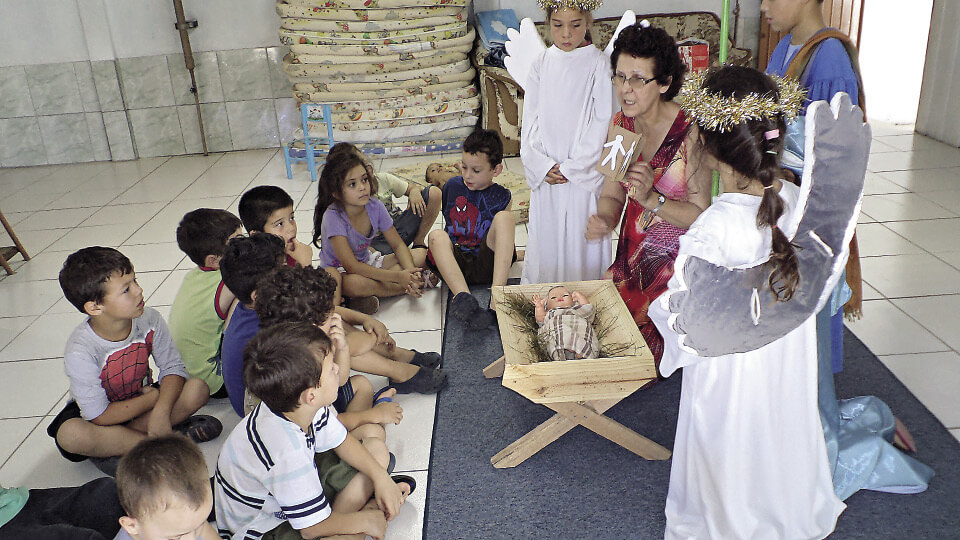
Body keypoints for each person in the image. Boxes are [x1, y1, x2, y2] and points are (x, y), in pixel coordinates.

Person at [649, 66, 846, 539]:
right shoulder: (800, 201)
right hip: (785, 361)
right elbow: (825, 280)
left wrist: (663, 313)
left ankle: (727, 512)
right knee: (776, 422)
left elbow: (686, 326)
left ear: (710, 149)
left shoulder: (712, 230)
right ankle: (783, 503)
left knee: (732, 432)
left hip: (728, 375)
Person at [584, 23, 711, 367]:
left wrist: (653, 199)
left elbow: (702, 216)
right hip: (630, 259)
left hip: (674, 271)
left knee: (634, 360)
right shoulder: (621, 124)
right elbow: (611, 194)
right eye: (620, 77)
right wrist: (604, 219)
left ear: (665, 83)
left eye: (638, 79)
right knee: (587, 335)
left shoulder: (689, 133)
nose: (626, 89)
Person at [215, 322, 414, 540]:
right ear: (311, 395)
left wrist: (380, 479)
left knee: (377, 450)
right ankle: (357, 516)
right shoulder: (286, 451)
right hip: (265, 528)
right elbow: (311, 530)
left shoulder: (300, 405)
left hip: (291, 498)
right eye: (331, 369)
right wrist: (367, 520)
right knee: (355, 524)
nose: (337, 368)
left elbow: (342, 441)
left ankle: (347, 517)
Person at [47, 247, 219, 475]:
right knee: (71, 435)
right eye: (126, 289)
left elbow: (173, 368)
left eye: (135, 281)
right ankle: (159, 443)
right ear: (95, 307)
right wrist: (154, 401)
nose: (139, 291)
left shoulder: (149, 319)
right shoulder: (81, 350)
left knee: (197, 389)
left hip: (139, 401)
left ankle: (123, 447)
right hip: (101, 418)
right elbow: (97, 415)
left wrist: (161, 410)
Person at [761, 0, 864, 376]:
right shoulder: (784, 47)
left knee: (809, 312)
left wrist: (786, 175)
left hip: (809, 210)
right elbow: (773, 124)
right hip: (780, 196)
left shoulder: (830, 59)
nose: (763, 7)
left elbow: (836, 152)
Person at [254, 264, 438, 413]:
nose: (334, 315)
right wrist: (374, 336)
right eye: (327, 314)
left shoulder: (291, 330)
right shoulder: (304, 352)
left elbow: (335, 316)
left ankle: (398, 365)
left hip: (319, 397)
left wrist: (365, 319)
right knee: (345, 344)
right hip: (315, 414)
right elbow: (353, 349)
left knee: (350, 359)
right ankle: (398, 374)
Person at [519, 0, 612, 284]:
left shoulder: (598, 63)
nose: (567, 34)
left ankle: (585, 299)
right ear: (548, 25)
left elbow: (603, 118)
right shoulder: (542, 63)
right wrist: (542, 164)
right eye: (558, 26)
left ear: (588, 23)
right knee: (547, 238)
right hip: (549, 174)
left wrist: (575, 167)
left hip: (581, 174)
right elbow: (531, 118)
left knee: (579, 239)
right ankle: (545, 300)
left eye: (575, 25)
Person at [312, 145, 435, 302]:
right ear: (336, 192)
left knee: (422, 255)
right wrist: (399, 277)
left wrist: (411, 271)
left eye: (364, 180)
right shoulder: (333, 217)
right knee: (353, 283)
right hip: (342, 272)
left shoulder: (375, 205)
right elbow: (352, 266)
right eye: (352, 184)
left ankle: (375, 292)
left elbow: (397, 245)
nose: (362, 187)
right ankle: (401, 288)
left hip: (368, 261)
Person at [426, 129, 516, 329]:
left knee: (505, 218)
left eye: (476, 170)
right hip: (457, 266)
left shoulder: (503, 196)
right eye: (464, 167)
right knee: (436, 235)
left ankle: (497, 299)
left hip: (486, 263)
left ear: (496, 170)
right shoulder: (452, 186)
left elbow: (501, 239)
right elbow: (449, 225)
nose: (467, 175)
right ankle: (464, 300)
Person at [168, 208, 243, 398]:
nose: (246, 246)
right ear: (214, 260)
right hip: (213, 381)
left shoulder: (194, 276)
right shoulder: (229, 282)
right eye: (238, 242)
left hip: (186, 373)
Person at [325, 144, 443, 256]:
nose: (367, 164)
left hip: (400, 229)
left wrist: (415, 192)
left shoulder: (382, 180)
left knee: (434, 193)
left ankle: (418, 243)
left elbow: (412, 188)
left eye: (364, 159)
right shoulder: (341, 208)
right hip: (377, 244)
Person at [218, 233, 287, 416]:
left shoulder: (248, 306)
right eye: (282, 273)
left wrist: (361, 319)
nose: (290, 276)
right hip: (263, 413)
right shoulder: (264, 330)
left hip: (256, 404)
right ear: (258, 295)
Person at [114, 435, 218, 540]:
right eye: (176, 538)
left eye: (200, 525)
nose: (192, 538)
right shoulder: (184, 524)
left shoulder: (190, 522)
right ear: (131, 526)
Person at [238, 185, 313, 268]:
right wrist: (306, 266)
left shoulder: (292, 253)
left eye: (291, 218)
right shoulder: (258, 271)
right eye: (280, 224)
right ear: (257, 235)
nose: (291, 228)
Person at [533, 286, 599, 361]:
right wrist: (539, 307)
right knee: (556, 330)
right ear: (547, 306)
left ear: (573, 300)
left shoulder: (576, 309)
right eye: (553, 297)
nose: (559, 298)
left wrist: (580, 296)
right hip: (557, 328)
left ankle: (581, 349)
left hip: (577, 325)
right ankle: (566, 348)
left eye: (565, 295)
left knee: (582, 331)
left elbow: (588, 310)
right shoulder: (550, 313)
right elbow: (541, 321)